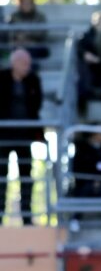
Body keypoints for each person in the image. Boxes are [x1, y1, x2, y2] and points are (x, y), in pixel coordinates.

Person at [0, 49, 43, 225]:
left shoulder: (33, 80)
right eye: (24, 63)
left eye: (29, 64)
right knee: (2, 177)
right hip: (3, 136)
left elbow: (37, 104)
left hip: (25, 135)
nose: (28, 67)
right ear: (14, 63)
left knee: (26, 176)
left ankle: (27, 215)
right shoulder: (1, 78)